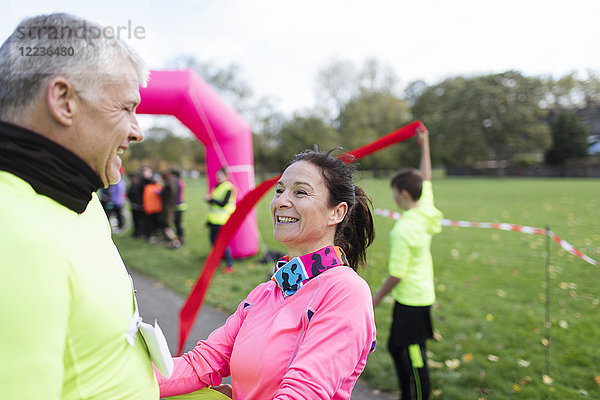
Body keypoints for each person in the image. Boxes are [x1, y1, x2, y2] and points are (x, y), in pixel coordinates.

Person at [0, 12, 159, 399]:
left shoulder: (81, 197)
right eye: (125, 107)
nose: (137, 130)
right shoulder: (10, 231)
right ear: (63, 100)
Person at [157, 149, 377, 399]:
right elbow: (201, 364)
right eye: (280, 190)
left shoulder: (345, 292)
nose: (281, 201)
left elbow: (302, 394)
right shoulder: (265, 292)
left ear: (336, 212)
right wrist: (125, 379)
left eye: (301, 192)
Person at [372, 128, 443, 400]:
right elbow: (425, 178)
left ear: (403, 194)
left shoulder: (403, 229)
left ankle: (415, 396)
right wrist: (425, 143)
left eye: (393, 193)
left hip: (411, 300)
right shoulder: (424, 211)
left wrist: (376, 298)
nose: (392, 198)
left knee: (410, 351)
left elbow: (396, 274)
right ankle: (410, 394)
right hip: (421, 294)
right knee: (404, 347)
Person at [204, 167, 236, 273]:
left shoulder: (228, 187)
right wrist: (209, 200)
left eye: (220, 175)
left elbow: (223, 203)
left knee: (222, 243)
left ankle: (230, 266)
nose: (218, 177)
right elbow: (214, 202)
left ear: (225, 176)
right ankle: (217, 260)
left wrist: (211, 199)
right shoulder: (217, 186)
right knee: (212, 240)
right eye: (217, 175)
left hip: (223, 220)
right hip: (213, 219)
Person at [143, 173, 163, 243]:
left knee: (155, 224)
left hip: (156, 209)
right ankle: (151, 236)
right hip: (151, 209)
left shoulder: (158, 187)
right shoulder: (149, 187)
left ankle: (154, 235)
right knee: (150, 224)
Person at [172, 169, 187, 244]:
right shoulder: (180, 182)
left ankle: (181, 238)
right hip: (180, 205)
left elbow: (176, 195)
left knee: (178, 223)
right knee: (178, 223)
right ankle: (180, 237)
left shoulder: (177, 183)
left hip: (179, 205)